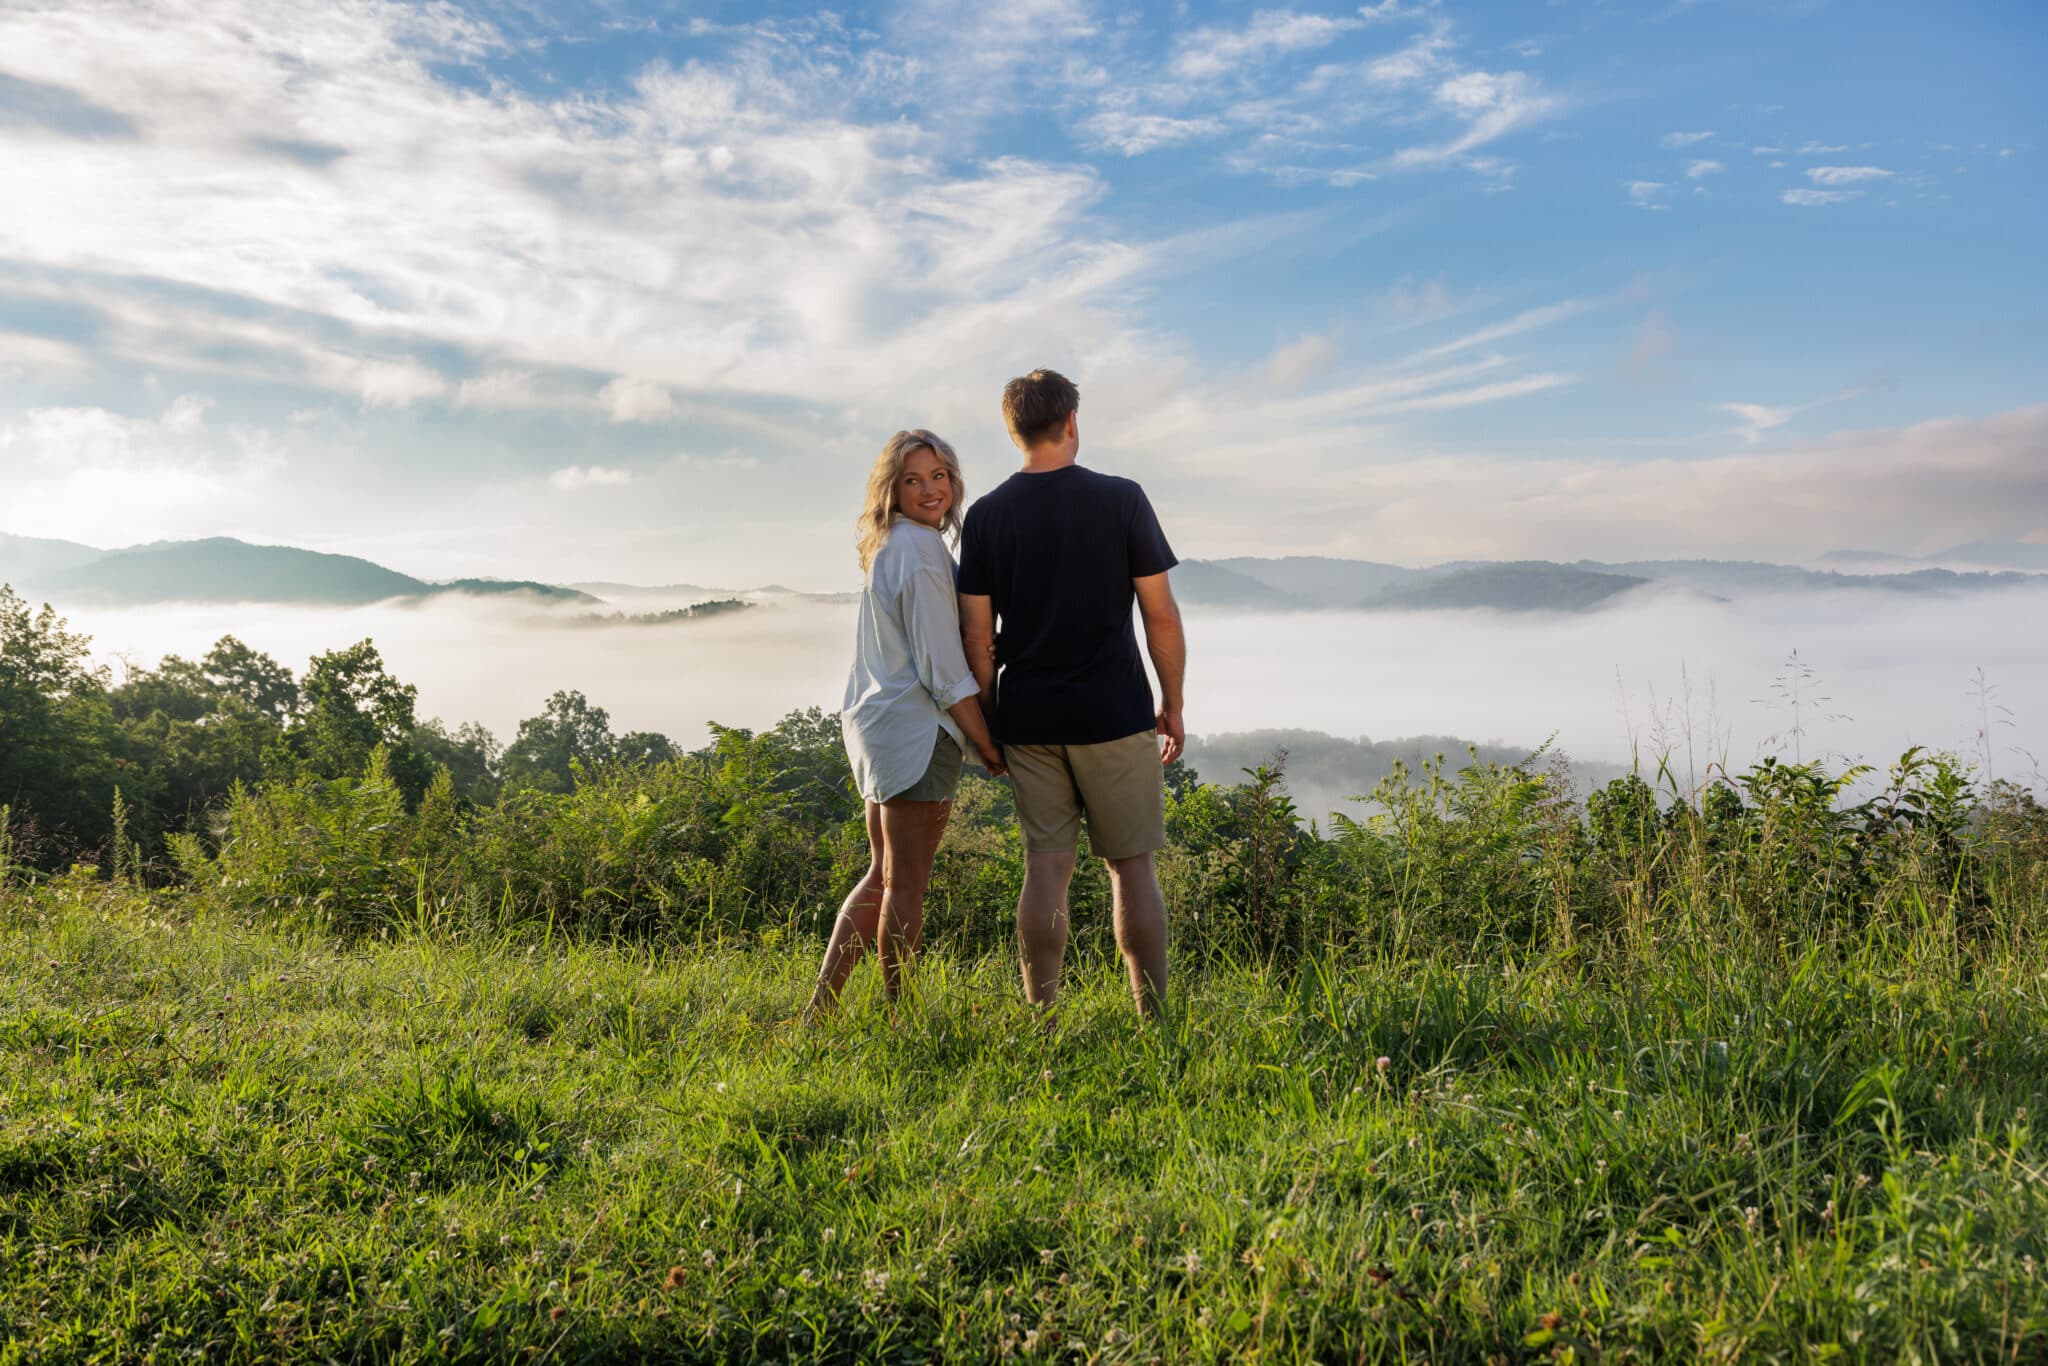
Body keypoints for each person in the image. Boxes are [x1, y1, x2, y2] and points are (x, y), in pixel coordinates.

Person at [957, 369, 1185, 1020]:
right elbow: (1160, 617)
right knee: (1132, 870)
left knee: (1046, 869)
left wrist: (993, 722)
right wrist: (1173, 701)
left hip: (1030, 717)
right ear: (1072, 422)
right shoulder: (1123, 500)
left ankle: (1042, 1019)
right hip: (1113, 713)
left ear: (1013, 431)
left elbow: (979, 637)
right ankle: (1155, 1022)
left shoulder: (987, 516)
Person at [803, 430, 1006, 1019]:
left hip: (876, 727)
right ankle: (904, 1016)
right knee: (905, 884)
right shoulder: (919, 552)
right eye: (913, 479)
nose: (930, 489)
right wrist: (987, 742)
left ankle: (823, 1008)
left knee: (883, 872)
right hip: (917, 732)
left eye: (939, 475)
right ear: (891, 488)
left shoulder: (890, 543)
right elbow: (943, 672)